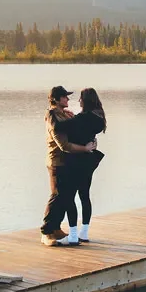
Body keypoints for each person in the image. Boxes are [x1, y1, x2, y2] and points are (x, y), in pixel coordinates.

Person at [42, 86, 95, 247]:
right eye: (64, 97)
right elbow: (64, 145)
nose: (68, 99)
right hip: (57, 162)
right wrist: (85, 148)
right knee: (57, 196)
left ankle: (56, 228)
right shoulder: (52, 116)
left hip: (68, 163)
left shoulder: (64, 115)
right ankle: (46, 232)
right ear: (56, 99)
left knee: (66, 198)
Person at [58, 87, 106, 243]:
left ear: (85, 100)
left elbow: (59, 128)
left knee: (69, 196)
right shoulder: (99, 118)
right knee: (84, 195)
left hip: (75, 160)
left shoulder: (81, 118)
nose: (78, 101)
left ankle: (72, 235)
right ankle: (84, 231)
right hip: (88, 160)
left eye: (80, 98)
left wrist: (66, 116)